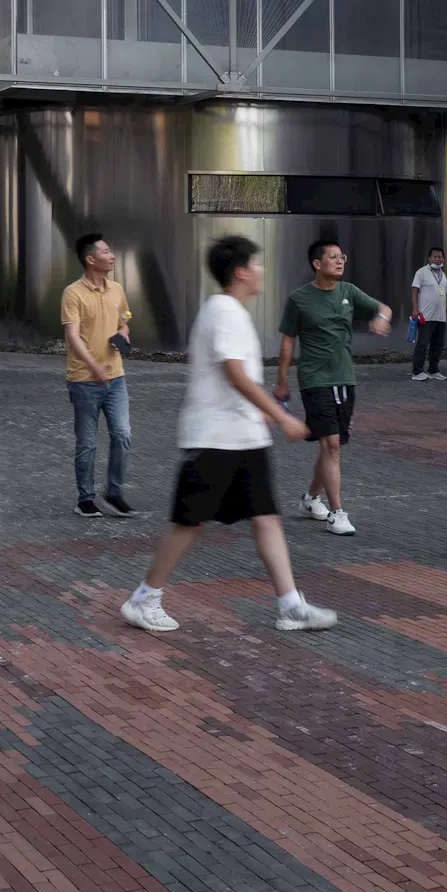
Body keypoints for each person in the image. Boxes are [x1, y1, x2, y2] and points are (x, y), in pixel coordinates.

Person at [119, 236, 337, 637]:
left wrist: (262, 413)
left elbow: (237, 379)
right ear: (240, 272)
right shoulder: (223, 312)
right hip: (214, 440)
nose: (261, 271)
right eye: (256, 264)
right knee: (188, 523)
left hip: (244, 440)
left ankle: (291, 605)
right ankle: (144, 598)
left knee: (266, 518)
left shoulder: (231, 312)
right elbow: (235, 374)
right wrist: (281, 416)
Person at [280, 235, 392, 533]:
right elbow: (288, 341)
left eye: (342, 257)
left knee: (331, 445)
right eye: (333, 257)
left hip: (344, 379)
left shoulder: (348, 291)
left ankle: (310, 499)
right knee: (331, 444)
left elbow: (384, 308)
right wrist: (281, 381)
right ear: (317, 264)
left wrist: (381, 318)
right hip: (314, 379)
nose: (340, 261)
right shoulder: (299, 299)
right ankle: (337, 513)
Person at [63, 228, 134, 516]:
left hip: (116, 378)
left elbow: (125, 315)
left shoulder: (116, 289)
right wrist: (94, 366)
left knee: (122, 434)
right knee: (87, 443)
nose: (112, 256)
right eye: (106, 252)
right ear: (91, 259)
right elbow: (72, 336)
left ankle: (114, 493)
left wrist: (124, 330)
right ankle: (85, 499)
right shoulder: (73, 293)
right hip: (84, 381)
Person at [408, 247, 447, 379]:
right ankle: (417, 371)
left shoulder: (443, 275)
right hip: (425, 316)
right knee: (423, 343)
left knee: (438, 344)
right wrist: (415, 309)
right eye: (435, 257)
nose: (438, 259)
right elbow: (414, 290)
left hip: (440, 316)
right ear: (430, 258)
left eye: (440, 257)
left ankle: (433, 370)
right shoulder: (421, 272)